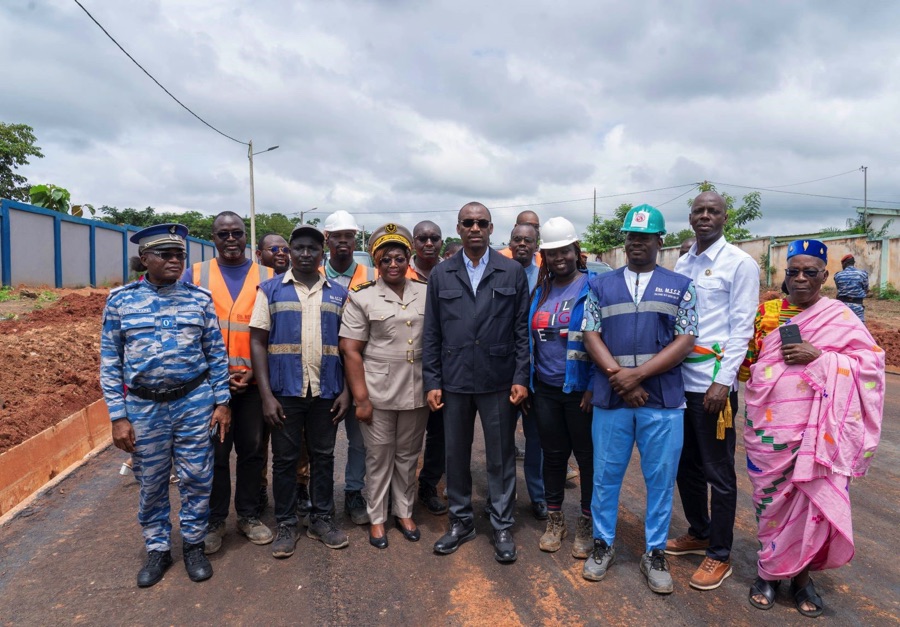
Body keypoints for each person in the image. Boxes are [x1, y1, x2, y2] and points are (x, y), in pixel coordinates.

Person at [741, 239, 885, 618]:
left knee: (810, 503)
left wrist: (820, 357)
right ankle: (769, 573)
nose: (801, 279)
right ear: (784, 276)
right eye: (793, 272)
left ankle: (802, 578)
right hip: (769, 431)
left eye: (810, 272)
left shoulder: (840, 316)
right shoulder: (768, 314)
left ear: (825, 276)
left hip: (818, 434)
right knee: (771, 504)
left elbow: (870, 367)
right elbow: (749, 363)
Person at [100, 223, 231, 588]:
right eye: (165, 254)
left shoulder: (199, 298)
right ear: (145, 259)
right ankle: (158, 549)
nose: (175, 260)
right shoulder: (120, 300)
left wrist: (222, 401)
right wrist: (117, 416)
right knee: (152, 481)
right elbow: (110, 362)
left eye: (180, 255)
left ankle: (192, 545)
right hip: (144, 407)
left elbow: (215, 354)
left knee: (196, 477)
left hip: (194, 401)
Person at [581, 204, 697, 594]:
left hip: (661, 400)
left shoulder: (680, 285)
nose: (636, 242)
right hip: (613, 399)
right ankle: (602, 544)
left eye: (645, 236)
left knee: (660, 480)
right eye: (631, 235)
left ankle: (655, 552)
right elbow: (590, 333)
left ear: (659, 241)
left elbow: (686, 339)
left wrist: (640, 375)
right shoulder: (600, 285)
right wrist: (620, 378)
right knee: (605, 476)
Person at [423, 202, 530, 563]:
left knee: (500, 456)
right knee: (456, 454)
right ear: (458, 227)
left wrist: (520, 377)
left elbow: (520, 331)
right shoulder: (441, 274)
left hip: (498, 379)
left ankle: (501, 524)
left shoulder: (511, 271)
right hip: (453, 380)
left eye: (481, 223)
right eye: (468, 222)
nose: (474, 228)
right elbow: (432, 332)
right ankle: (461, 521)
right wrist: (432, 380)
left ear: (490, 228)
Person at [666, 191, 759, 590]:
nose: (705, 216)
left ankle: (719, 554)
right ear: (690, 218)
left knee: (717, 471)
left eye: (713, 211)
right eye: (699, 210)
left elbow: (742, 326)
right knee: (684, 465)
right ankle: (699, 530)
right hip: (677, 383)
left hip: (712, 388)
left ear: (724, 217)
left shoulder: (739, 263)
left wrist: (724, 380)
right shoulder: (683, 262)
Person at [249, 224, 352, 558]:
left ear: (322, 254)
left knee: (324, 457)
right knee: (285, 460)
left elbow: (350, 346)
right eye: (299, 248)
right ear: (289, 252)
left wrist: (347, 391)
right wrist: (266, 395)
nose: (306, 254)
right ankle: (287, 523)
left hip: (327, 391)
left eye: (313, 249)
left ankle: (322, 519)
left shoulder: (339, 293)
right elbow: (257, 341)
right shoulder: (269, 290)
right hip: (284, 392)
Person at [182, 212, 275, 554]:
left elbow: (274, 329)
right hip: (209, 385)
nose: (232, 239)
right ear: (213, 238)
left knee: (251, 451)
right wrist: (215, 376)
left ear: (246, 238)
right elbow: (186, 332)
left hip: (253, 382)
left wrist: (252, 370)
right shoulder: (195, 275)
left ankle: (248, 515)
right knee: (216, 454)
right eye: (224, 234)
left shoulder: (268, 276)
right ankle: (215, 519)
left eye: (238, 233)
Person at [340, 224, 430, 549]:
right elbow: (350, 349)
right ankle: (377, 516)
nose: (393, 264)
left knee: (408, 454)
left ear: (409, 259)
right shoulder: (362, 296)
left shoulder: (425, 291)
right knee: (378, 455)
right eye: (386, 259)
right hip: (377, 390)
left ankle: (404, 512)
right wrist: (361, 399)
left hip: (416, 388)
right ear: (377, 263)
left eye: (399, 258)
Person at [528, 217, 595, 558]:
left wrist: (595, 385)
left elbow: (603, 339)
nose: (559, 259)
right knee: (552, 458)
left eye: (565, 251)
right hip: (546, 388)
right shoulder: (540, 291)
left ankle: (586, 523)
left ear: (576, 251)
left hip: (581, 391)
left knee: (587, 458)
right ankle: (555, 520)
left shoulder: (593, 285)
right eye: (552, 253)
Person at [320, 209, 376, 526]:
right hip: (323, 372)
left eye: (349, 236)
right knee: (322, 443)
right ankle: (320, 497)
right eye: (338, 236)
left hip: (361, 371)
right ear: (327, 239)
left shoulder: (370, 274)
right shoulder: (311, 271)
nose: (344, 241)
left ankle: (354, 491)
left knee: (360, 441)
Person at [254, 232, 313, 521]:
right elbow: (257, 338)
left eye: (283, 248)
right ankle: (262, 491)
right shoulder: (263, 287)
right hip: (255, 379)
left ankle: (300, 487)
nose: (279, 252)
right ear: (259, 254)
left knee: (297, 442)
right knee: (259, 445)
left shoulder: (312, 281)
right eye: (273, 248)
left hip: (293, 381)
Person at [408, 221, 450, 516]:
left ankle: (428, 485)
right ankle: (400, 491)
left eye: (434, 238)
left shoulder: (451, 272)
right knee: (404, 436)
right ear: (413, 242)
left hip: (443, 368)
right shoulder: (396, 267)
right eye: (422, 238)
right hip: (405, 369)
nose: (428, 243)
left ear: (441, 242)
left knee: (439, 435)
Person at [507, 222, 548, 521]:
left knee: (537, 440)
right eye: (517, 239)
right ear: (509, 241)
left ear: (537, 245)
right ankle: (504, 495)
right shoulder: (500, 272)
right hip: (505, 372)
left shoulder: (547, 277)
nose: (522, 244)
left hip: (539, 374)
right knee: (501, 440)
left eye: (528, 240)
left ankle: (539, 496)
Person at [833, 254, 869, 323]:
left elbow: (839, 289)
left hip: (843, 307)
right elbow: (865, 289)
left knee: (844, 326)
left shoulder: (838, 275)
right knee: (860, 328)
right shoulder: (863, 274)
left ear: (844, 263)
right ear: (853, 263)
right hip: (857, 306)